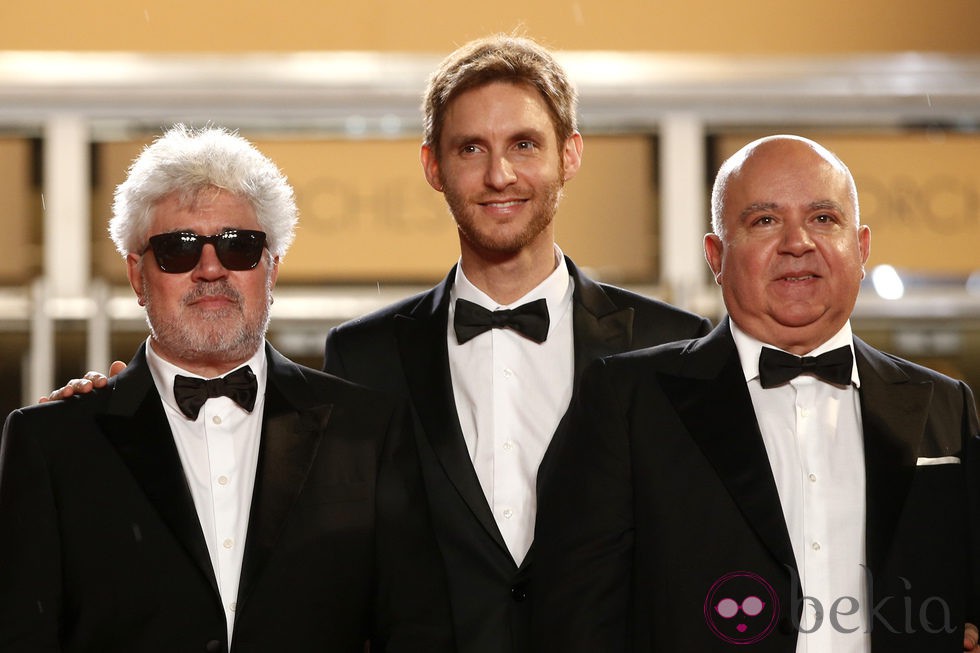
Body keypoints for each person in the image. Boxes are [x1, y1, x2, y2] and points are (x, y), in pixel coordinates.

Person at [320, 35, 711, 653]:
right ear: (432, 167)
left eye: (524, 145)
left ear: (570, 155)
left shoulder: (674, 345)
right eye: (471, 148)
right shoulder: (361, 357)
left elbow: (696, 554)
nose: (499, 174)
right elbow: (338, 570)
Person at [0, 125, 453, 652]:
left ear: (272, 268)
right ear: (137, 275)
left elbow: (417, 633)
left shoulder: (370, 432)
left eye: (240, 247)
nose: (211, 269)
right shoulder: (55, 442)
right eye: (177, 249)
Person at [532, 134, 980, 652]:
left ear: (861, 249)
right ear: (715, 255)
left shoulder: (945, 405)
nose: (798, 242)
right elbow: (576, 621)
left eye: (823, 219)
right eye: (765, 221)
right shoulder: (625, 400)